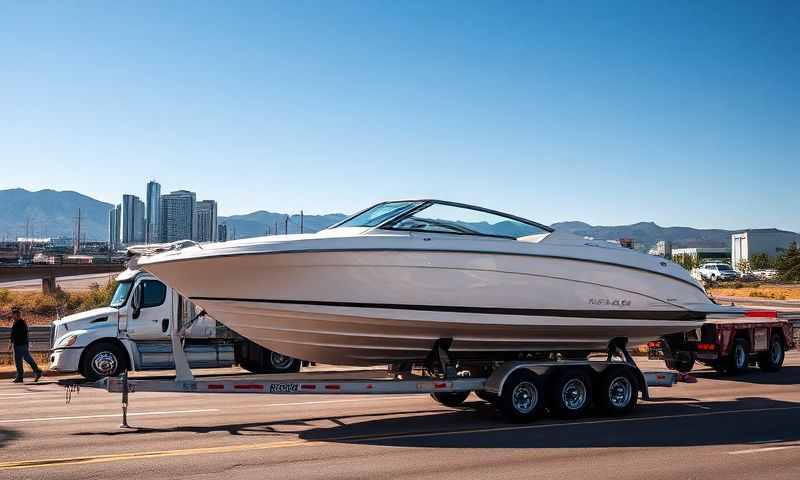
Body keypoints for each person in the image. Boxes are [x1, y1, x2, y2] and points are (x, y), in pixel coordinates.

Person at [9, 307, 42, 383]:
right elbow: (13, 334)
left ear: (17, 315)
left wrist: (13, 342)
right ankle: (36, 371)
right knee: (24, 359)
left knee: (20, 360)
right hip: (18, 344)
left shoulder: (21, 323)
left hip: (21, 344)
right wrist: (11, 343)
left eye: (14, 315)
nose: (13, 316)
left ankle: (22, 376)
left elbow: (19, 334)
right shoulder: (16, 322)